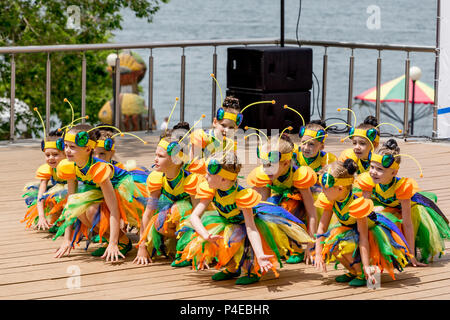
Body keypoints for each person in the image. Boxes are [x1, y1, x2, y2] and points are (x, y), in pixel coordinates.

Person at [178, 152, 314, 285]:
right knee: (220, 240)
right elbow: (195, 216)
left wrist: (260, 254)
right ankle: (232, 268)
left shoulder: (242, 197)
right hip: (227, 223)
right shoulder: (211, 189)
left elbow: (251, 228)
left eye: (209, 174)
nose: (205, 177)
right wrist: (206, 235)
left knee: (245, 246)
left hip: (249, 225)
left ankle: (252, 270)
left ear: (223, 179)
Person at [53, 124, 146, 261]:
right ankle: (117, 241)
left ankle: (118, 242)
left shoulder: (98, 168)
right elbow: (71, 204)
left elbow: (114, 209)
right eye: (65, 145)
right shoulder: (69, 166)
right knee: (78, 208)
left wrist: (114, 242)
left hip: (123, 190)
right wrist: (67, 239)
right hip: (101, 191)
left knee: (91, 210)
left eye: (72, 147)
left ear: (88, 149)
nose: (67, 150)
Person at [314, 159, 411, 287]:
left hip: (370, 232)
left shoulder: (356, 205)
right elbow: (321, 228)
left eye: (325, 188)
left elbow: (363, 238)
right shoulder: (330, 200)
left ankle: (363, 272)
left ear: (340, 188)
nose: (322, 192)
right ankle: (353, 271)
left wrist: (366, 265)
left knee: (345, 246)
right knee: (332, 244)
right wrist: (317, 253)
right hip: (349, 230)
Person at [357, 139, 450, 265]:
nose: (373, 172)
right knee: (375, 217)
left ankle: (406, 251)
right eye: (372, 167)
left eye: (380, 169)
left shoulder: (401, 187)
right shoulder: (369, 181)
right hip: (385, 207)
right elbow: (365, 210)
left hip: (408, 210)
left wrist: (412, 254)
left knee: (398, 220)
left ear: (394, 172)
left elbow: (407, 223)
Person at [134, 121, 203, 267]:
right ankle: (174, 243)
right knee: (158, 222)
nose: (155, 159)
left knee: (180, 208)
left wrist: (200, 250)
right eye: (156, 154)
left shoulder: (190, 180)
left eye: (161, 156)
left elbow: (199, 215)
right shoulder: (157, 178)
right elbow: (148, 213)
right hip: (172, 212)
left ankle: (187, 251)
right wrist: (142, 247)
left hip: (189, 218)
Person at [246, 132, 317, 264]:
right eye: (264, 164)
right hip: (280, 197)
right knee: (266, 210)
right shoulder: (266, 174)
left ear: (286, 163)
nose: (266, 169)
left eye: (271, 165)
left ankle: (297, 248)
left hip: (299, 203)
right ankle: (280, 245)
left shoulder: (299, 175)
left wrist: (311, 245)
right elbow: (261, 203)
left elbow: (312, 213)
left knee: (288, 206)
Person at [22, 128, 67, 233]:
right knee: (49, 197)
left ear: (65, 154)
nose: (51, 158)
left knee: (62, 197)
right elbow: (41, 195)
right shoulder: (47, 168)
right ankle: (56, 221)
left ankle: (71, 223)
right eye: (47, 155)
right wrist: (41, 216)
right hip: (59, 190)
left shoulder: (70, 166)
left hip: (72, 191)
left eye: (55, 154)